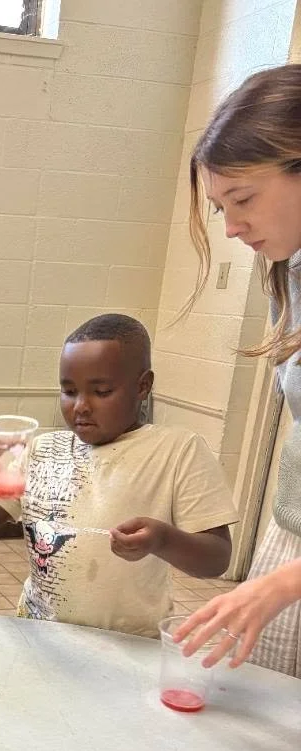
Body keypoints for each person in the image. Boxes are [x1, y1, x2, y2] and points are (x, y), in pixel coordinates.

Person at [0, 314, 238, 637]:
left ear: (142, 386)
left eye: (101, 391)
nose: (81, 406)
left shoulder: (177, 451)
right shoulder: (41, 450)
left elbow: (216, 559)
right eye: (69, 390)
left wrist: (162, 539)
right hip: (38, 634)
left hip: (128, 645)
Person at [176, 63, 301, 675]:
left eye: (244, 199)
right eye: (221, 207)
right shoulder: (290, 272)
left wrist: (280, 584)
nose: (232, 228)